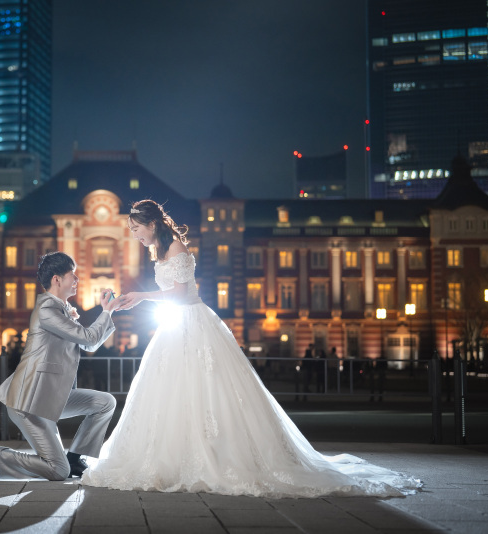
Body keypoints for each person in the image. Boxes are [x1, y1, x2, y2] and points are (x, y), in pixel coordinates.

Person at [82, 199, 421, 498]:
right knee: (171, 392)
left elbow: (184, 294)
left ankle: (212, 454)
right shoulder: (160, 251)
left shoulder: (177, 251)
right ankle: (175, 453)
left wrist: (142, 296)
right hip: (175, 327)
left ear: (152, 223)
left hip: (192, 324)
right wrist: (132, 301)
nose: (134, 235)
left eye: (136, 228)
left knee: (207, 390)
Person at [0, 252, 120, 482]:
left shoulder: (61, 309)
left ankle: (74, 458)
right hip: (29, 402)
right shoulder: (47, 310)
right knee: (57, 471)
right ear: (57, 279)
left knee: (105, 403)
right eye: (73, 275)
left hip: (51, 396)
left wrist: (101, 314)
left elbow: (88, 344)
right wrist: (107, 311)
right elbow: (89, 338)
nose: (77, 280)